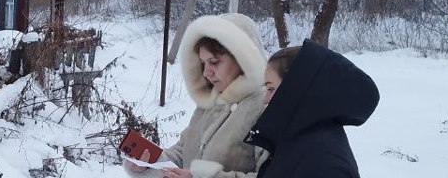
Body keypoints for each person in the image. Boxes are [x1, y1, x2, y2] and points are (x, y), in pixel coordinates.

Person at [125, 13, 267, 178]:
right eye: (203, 63)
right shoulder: (211, 101)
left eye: (214, 62)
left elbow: (270, 174)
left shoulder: (264, 106)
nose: (206, 73)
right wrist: (149, 164)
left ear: (243, 58)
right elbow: (182, 153)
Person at [245, 39, 380, 178]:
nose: (265, 99)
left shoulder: (323, 162)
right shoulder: (296, 140)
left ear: (294, 89)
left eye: (271, 89)